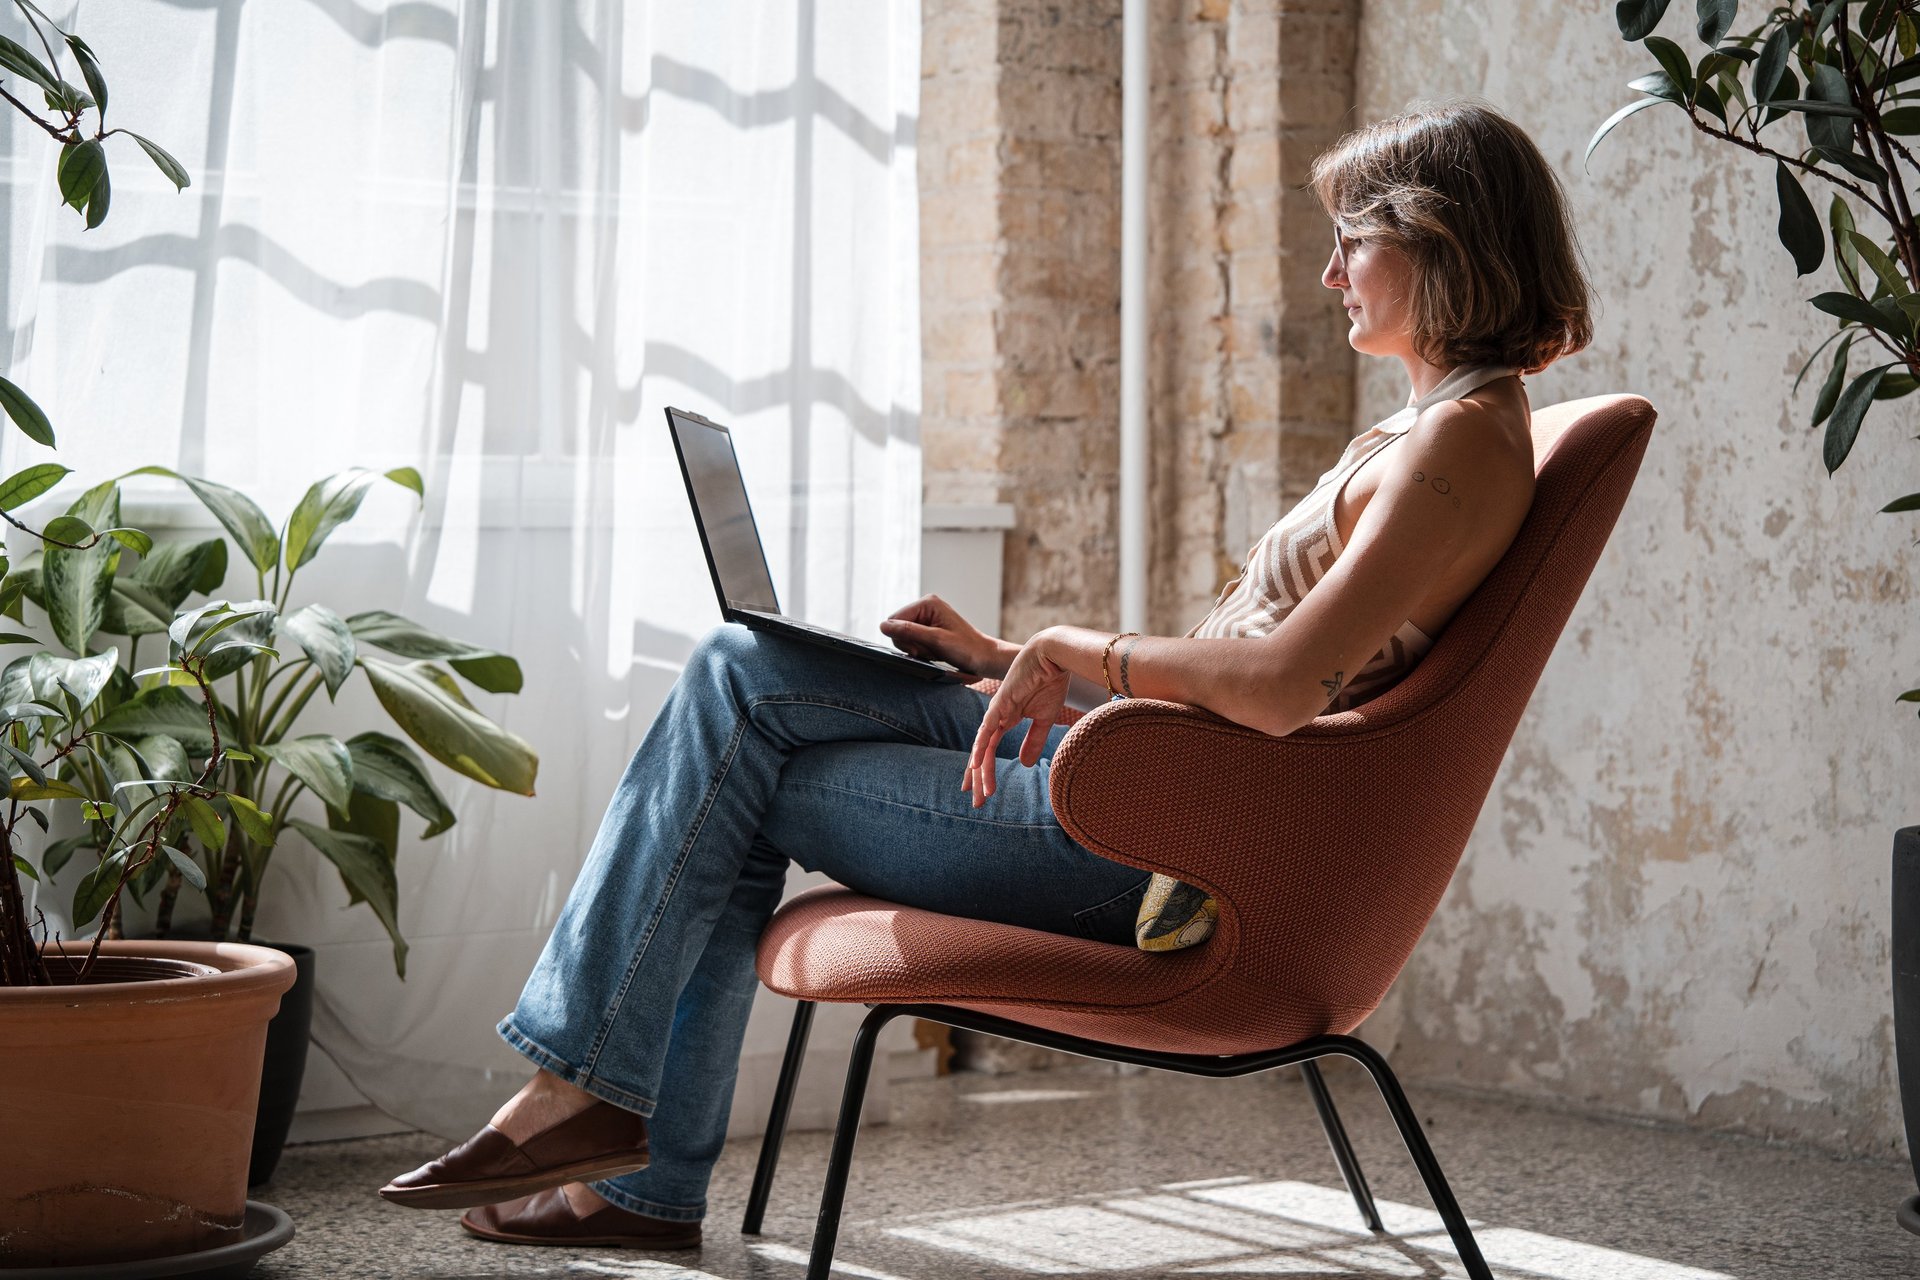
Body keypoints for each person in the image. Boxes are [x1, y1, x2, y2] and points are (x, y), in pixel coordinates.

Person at [378, 98, 1593, 1250]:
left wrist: (1076, 649)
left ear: (1437, 245)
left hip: (1157, 843)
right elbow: (1263, 667)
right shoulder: (1440, 428)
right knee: (744, 665)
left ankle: (601, 1126)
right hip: (1143, 780)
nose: (1331, 275)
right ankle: (610, 1141)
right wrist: (1019, 661)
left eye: (1351, 244)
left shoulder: (1458, 451)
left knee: (736, 755)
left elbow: (1277, 689)